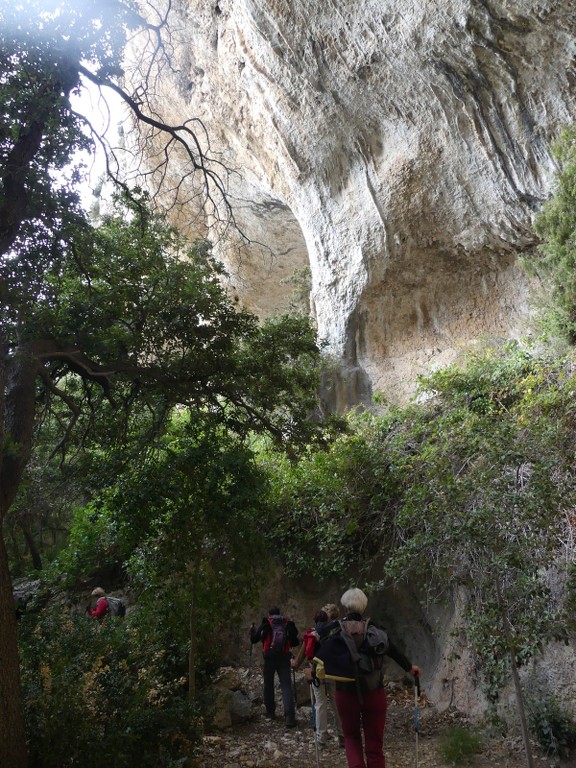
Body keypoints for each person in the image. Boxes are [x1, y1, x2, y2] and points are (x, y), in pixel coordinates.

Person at [305, 587, 422, 768]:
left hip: (346, 695)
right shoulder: (375, 629)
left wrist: (311, 673)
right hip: (374, 694)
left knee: (351, 739)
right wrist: (410, 668)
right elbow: (393, 651)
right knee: (375, 746)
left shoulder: (335, 629)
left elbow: (318, 651)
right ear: (364, 607)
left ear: (345, 608)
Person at [292, 606, 344, 748]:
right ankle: (342, 736)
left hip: (316, 672)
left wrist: (295, 664)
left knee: (320, 703)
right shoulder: (337, 631)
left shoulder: (312, 633)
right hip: (332, 672)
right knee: (336, 703)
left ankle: (321, 738)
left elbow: (301, 657)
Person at [250, 606, 300, 727]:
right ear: (279, 613)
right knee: (286, 685)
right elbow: (295, 642)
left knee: (268, 683)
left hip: (270, 657)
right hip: (284, 657)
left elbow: (254, 639)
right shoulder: (288, 624)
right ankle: (289, 717)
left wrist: (252, 630)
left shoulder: (266, 623)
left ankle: (270, 712)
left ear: (270, 614)